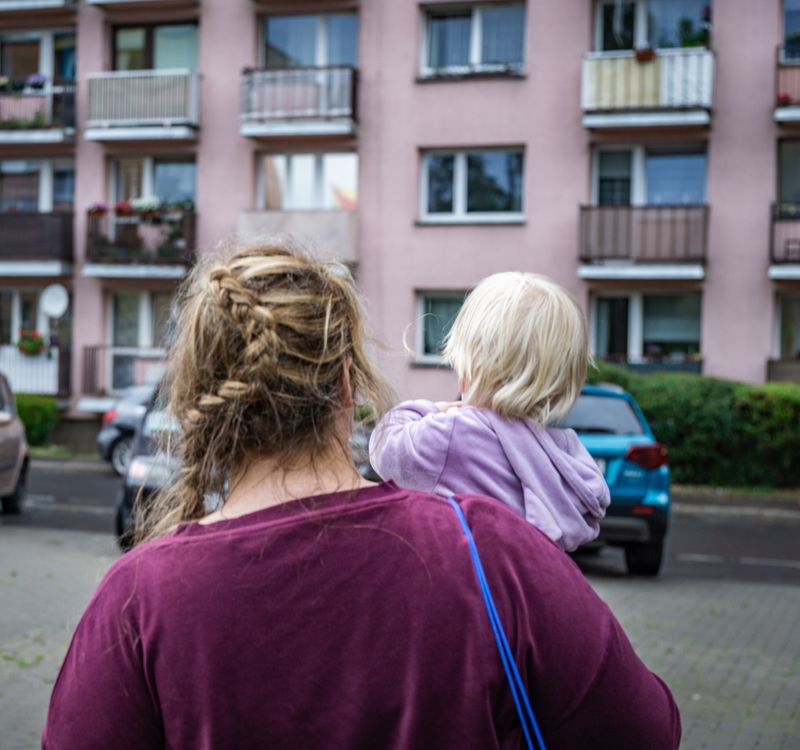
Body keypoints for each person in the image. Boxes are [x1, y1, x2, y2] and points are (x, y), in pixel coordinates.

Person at [43, 243, 680, 749]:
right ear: (347, 385)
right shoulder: (494, 552)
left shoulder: (135, 600)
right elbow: (649, 732)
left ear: (203, 401)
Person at [370, 272, 609, 552]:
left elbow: (385, 448)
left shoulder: (455, 434)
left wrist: (433, 409)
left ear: (470, 369)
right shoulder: (567, 455)